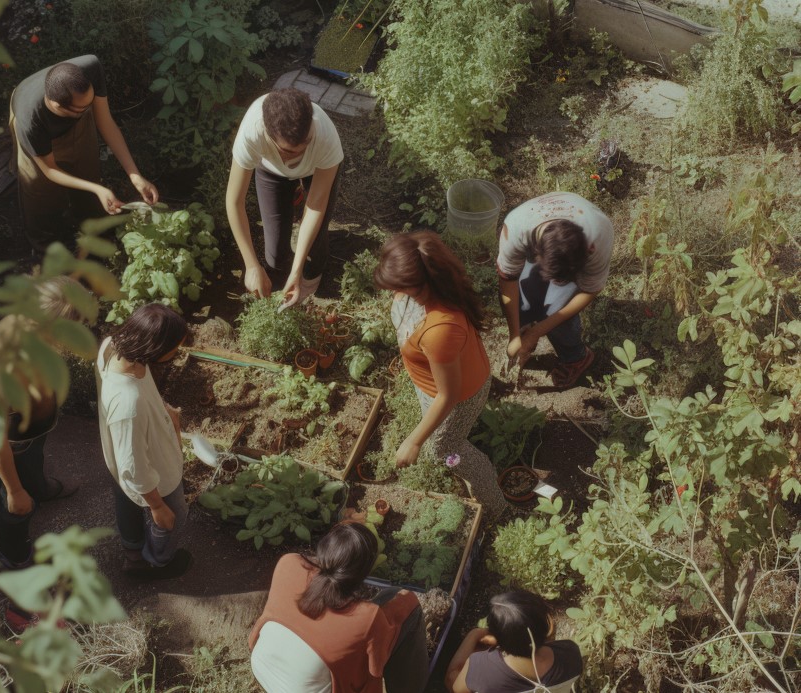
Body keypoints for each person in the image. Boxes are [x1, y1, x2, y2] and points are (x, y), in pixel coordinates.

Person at [373, 231, 508, 520]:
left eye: (397, 286)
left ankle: (494, 502)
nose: (393, 292)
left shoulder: (440, 329)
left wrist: (414, 441)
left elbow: (448, 396)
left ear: (421, 284)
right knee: (440, 439)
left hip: (458, 398)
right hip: (434, 385)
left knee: (443, 450)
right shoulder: (424, 287)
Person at [0, 276, 83, 569]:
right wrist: (14, 491)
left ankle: (38, 488)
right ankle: (14, 554)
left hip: (30, 428)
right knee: (11, 503)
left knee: (32, 461)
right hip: (9, 440)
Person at [249, 522, 429, 693]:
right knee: (408, 605)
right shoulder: (367, 617)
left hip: (263, 670)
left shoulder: (288, 562)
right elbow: (374, 669)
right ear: (364, 571)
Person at [10, 55, 159, 251]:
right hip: (35, 119)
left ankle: (91, 221)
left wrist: (135, 176)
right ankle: (47, 244)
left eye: (90, 103)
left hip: (69, 107)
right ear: (57, 105)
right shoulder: (31, 119)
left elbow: (105, 122)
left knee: (86, 167)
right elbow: (50, 170)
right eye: (82, 108)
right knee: (40, 190)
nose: (89, 109)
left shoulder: (90, 69)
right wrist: (98, 189)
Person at [95, 303, 192, 580]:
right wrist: (158, 506)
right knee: (174, 515)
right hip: (156, 473)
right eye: (174, 349)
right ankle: (158, 561)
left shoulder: (114, 346)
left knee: (125, 494)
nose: (178, 352)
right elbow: (135, 467)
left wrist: (162, 408)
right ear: (154, 349)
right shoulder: (129, 405)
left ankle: (134, 549)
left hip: (126, 451)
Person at [226, 87, 343, 308]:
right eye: (289, 151)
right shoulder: (252, 133)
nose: (300, 154)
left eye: (306, 144)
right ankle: (282, 276)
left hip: (316, 171)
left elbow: (316, 205)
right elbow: (234, 201)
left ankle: (312, 274)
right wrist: (251, 266)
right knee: (275, 255)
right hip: (271, 171)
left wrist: (298, 271)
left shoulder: (325, 137)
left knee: (316, 242)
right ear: (268, 136)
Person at [497, 192, 614, 389]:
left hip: (584, 234)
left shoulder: (599, 236)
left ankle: (576, 357)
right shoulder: (516, 229)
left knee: (556, 309)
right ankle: (524, 333)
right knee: (521, 303)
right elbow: (508, 283)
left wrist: (537, 331)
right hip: (534, 236)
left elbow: (590, 290)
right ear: (537, 255)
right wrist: (515, 334)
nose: (556, 283)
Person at [445, 590, 583, 693]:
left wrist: (474, 634)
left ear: (497, 638)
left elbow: (453, 684)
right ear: (545, 625)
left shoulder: (482, 668)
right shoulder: (570, 652)